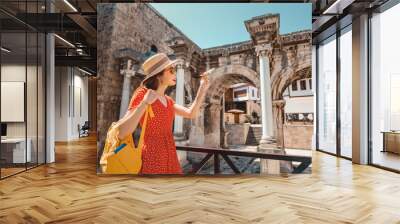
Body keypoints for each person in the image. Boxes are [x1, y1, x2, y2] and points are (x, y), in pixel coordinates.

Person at [116, 53, 213, 174]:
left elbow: (191, 113)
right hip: (152, 158)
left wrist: (202, 88)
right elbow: (122, 132)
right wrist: (144, 103)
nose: (175, 73)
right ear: (158, 75)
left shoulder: (168, 101)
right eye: (171, 70)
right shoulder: (142, 94)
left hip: (171, 158)